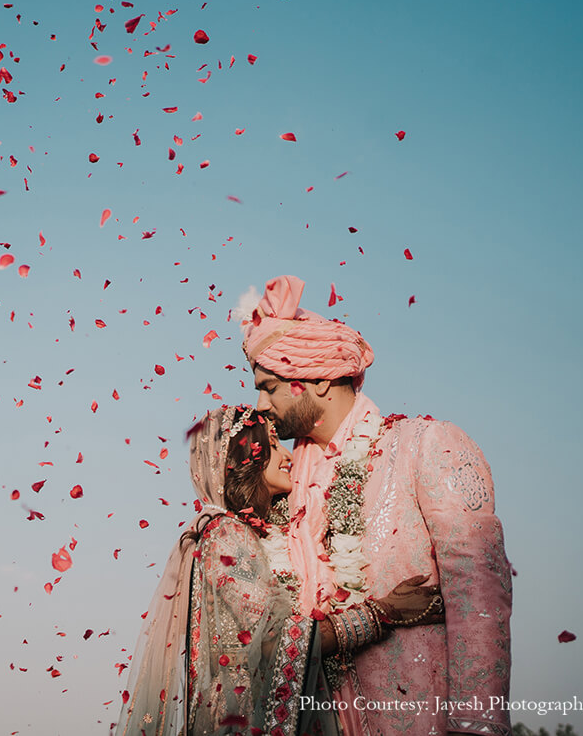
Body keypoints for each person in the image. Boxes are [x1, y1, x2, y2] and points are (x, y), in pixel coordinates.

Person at [240, 275, 512, 736]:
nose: (260, 406)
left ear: (320, 382)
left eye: (270, 386)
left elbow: (479, 595)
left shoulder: (424, 446)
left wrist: (476, 725)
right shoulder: (281, 490)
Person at [116, 405, 444, 736]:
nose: (286, 456)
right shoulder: (226, 535)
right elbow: (276, 640)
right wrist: (383, 613)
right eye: (272, 446)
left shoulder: (241, 532)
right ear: (245, 459)